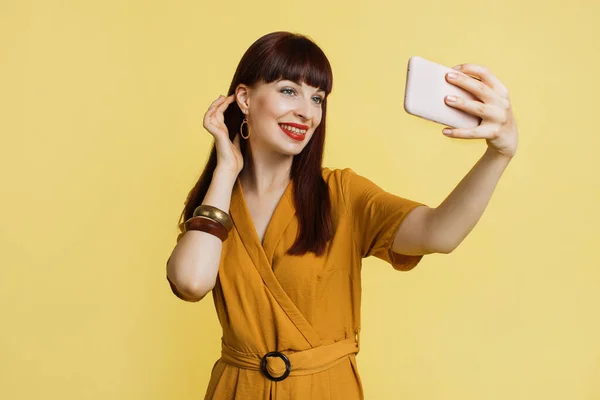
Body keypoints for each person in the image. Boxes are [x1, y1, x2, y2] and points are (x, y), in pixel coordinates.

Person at [166, 31, 518, 400]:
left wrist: (498, 155)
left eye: (318, 98)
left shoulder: (342, 194)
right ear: (244, 98)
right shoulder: (216, 203)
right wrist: (225, 171)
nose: (307, 111)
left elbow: (438, 233)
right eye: (289, 90)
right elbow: (191, 281)